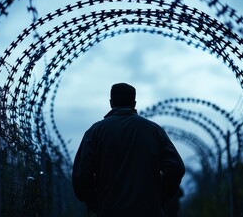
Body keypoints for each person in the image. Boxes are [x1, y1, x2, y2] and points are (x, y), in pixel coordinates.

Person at [72, 83, 185, 217]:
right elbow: (175, 167)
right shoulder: (153, 130)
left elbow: (81, 174)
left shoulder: (95, 132)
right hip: (149, 211)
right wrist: (161, 195)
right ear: (134, 103)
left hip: (110, 210)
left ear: (111, 102)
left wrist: (94, 201)